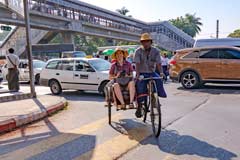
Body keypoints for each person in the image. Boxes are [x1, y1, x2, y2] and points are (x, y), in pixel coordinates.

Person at [134, 33, 167, 118]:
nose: (145, 43)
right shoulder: (138, 51)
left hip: (151, 72)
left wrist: (161, 73)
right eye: (143, 42)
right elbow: (137, 64)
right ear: (141, 43)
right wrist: (137, 74)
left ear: (150, 42)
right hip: (141, 72)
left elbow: (159, 63)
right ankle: (140, 105)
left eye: (147, 41)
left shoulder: (156, 51)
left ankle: (156, 98)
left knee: (159, 80)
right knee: (139, 86)